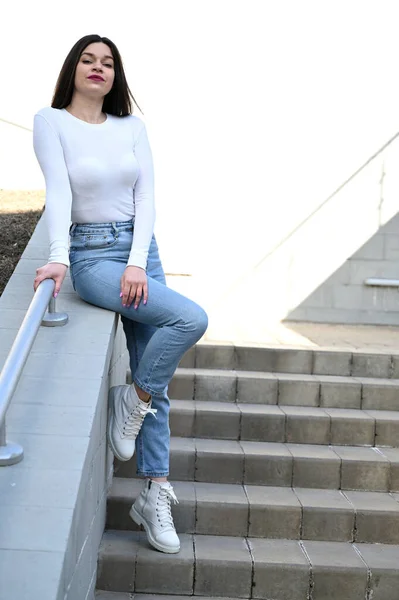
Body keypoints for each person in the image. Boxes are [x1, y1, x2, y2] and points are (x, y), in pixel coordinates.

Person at [32, 34, 208, 554]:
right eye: (88, 59)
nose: (98, 67)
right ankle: (133, 397)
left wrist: (137, 262)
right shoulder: (51, 122)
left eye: (108, 62)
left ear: (116, 75)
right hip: (90, 256)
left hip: (140, 251)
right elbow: (58, 192)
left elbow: (147, 194)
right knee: (189, 319)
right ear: (73, 68)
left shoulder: (133, 127)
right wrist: (60, 257)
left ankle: (152, 491)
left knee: (163, 364)